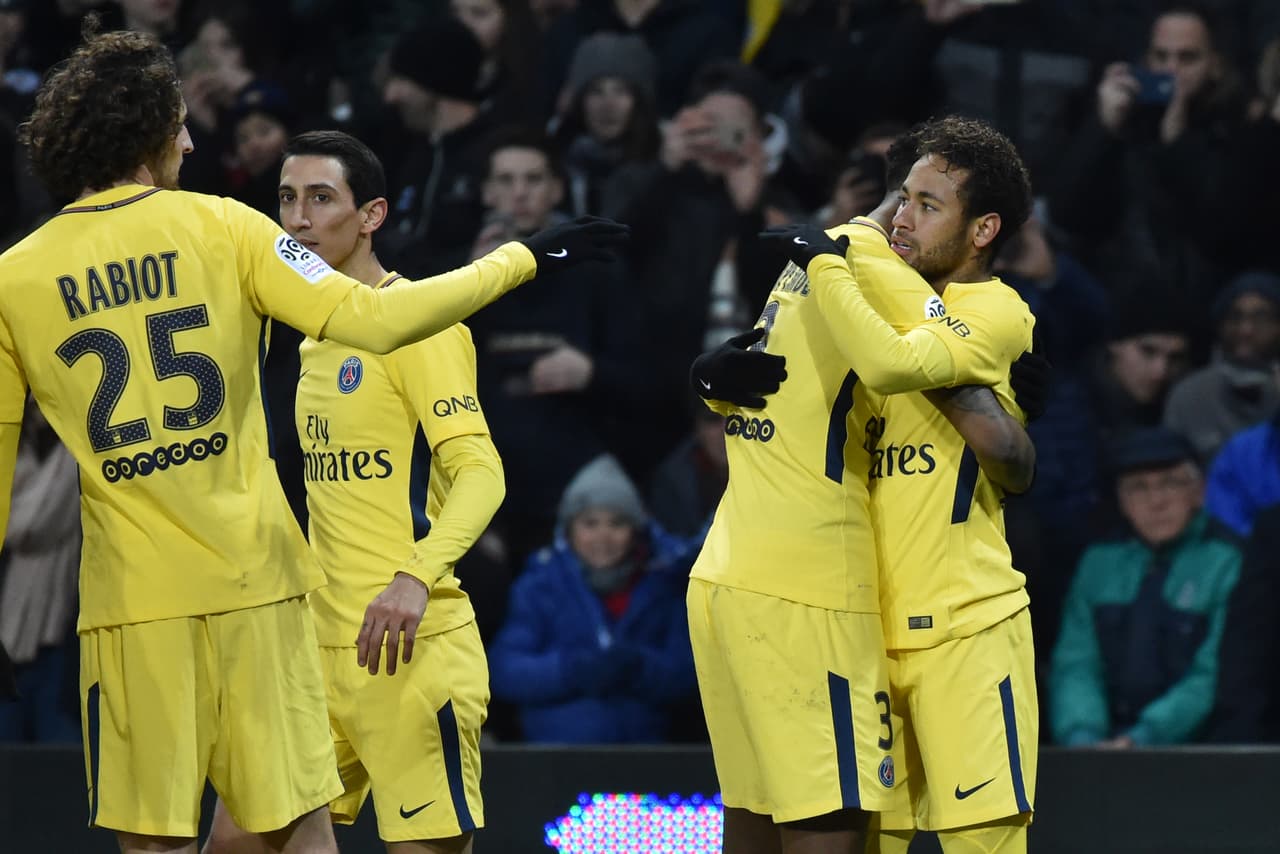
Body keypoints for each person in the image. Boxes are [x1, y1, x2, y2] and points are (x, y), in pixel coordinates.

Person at [0, 25, 625, 854]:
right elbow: (379, 318)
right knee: (284, 833)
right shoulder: (227, 229)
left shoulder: (16, 276)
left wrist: (416, 573)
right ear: (148, 132)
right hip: (264, 594)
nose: (192, 139)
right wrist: (519, 261)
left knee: (156, 842)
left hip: (143, 603)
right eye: (180, 122)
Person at [684, 116, 1036, 854]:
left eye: (928, 205)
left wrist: (835, 255)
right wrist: (718, 381)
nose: (904, 217)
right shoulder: (869, 296)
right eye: (901, 199)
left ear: (983, 229)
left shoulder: (994, 311)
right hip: (867, 623)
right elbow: (799, 397)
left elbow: (1004, 449)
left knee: (982, 842)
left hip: (961, 622)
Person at [203, 129, 503, 853]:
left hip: (408, 648)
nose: (297, 220)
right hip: (314, 652)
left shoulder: (418, 326)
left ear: (371, 215)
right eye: (285, 199)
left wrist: (415, 578)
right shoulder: (311, 336)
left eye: (320, 198)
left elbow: (482, 473)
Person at [1049, 428, 1241, 747]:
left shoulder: (1227, 560)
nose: (1156, 501)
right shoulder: (1099, 562)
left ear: (1199, 491)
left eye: (1171, 482)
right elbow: (1076, 663)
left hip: (1198, 751)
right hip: (1101, 746)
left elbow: (1213, 673)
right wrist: (1082, 737)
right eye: (1138, 488)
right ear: (1122, 500)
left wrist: (1142, 738)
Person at [488, 453, 698, 744]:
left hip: (648, 765)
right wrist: (571, 670)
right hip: (557, 766)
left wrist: (638, 667)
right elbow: (504, 671)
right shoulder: (539, 586)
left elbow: (690, 675)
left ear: (636, 531)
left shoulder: (663, 586)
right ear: (569, 529)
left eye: (617, 523)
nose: (603, 536)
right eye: (590, 523)